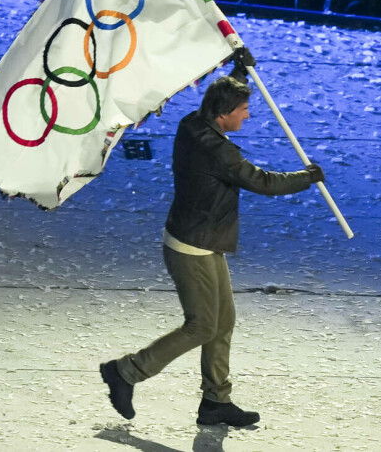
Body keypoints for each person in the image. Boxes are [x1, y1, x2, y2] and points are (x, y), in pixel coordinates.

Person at [100, 69, 325, 427]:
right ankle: (125, 372)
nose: (248, 115)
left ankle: (215, 401)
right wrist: (307, 178)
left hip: (201, 240)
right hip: (193, 247)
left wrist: (237, 72)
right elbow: (262, 182)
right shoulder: (217, 151)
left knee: (222, 322)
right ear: (224, 113)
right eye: (244, 108)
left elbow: (219, 103)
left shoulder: (193, 124)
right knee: (202, 326)